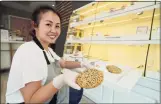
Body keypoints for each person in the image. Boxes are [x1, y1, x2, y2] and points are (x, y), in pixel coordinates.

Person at [5, 5, 93, 104]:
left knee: (76, 90)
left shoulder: (48, 50)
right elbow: (31, 101)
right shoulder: (29, 51)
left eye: (57, 26)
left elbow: (63, 63)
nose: (54, 30)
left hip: (47, 96)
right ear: (35, 26)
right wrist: (61, 80)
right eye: (48, 24)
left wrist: (81, 64)